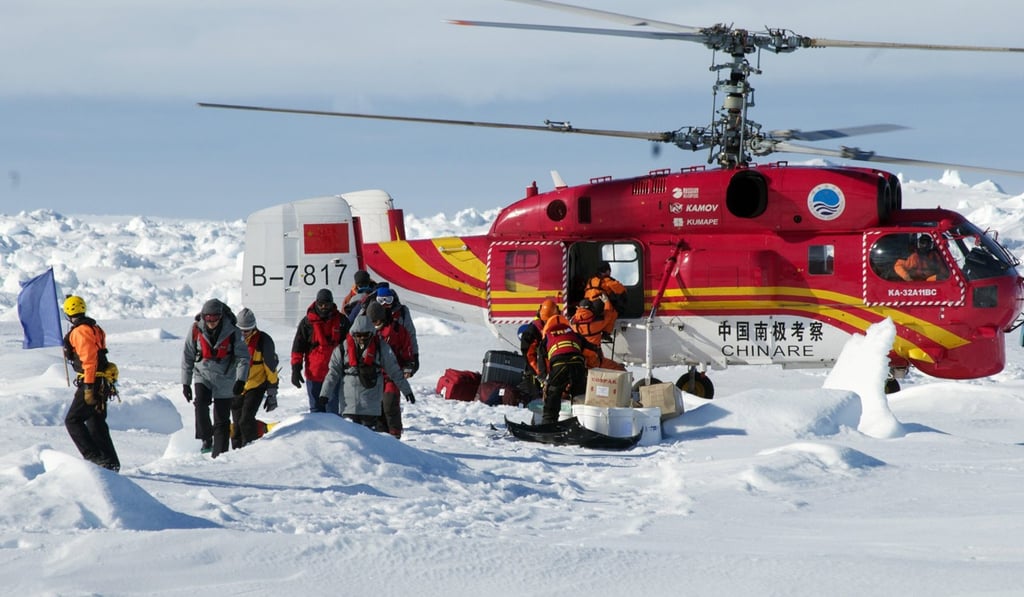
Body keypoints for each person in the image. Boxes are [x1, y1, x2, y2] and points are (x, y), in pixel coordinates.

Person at [318, 311, 415, 426]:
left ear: (371, 333)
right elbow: (333, 373)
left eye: (365, 335)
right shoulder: (342, 349)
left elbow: (394, 371)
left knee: (368, 438)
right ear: (353, 334)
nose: (362, 338)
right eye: (358, 335)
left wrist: (406, 390)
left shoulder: (381, 347)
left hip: (371, 404)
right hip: (349, 405)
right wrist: (324, 394)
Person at [182, 298, 250, 457]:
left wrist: (241, 380)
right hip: (203, 374)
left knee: (222, 420)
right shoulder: (195, 330)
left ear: (221, 317)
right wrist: (186, 383)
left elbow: (243, 358)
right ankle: (206, 439)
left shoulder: (233, 331)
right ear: (203, 317)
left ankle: (220, 455)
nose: (211, 322)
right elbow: (187, 356)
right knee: (200, 404)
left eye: (215, 318)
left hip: (225, 378)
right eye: (208, 318)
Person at [61, 295, 120, 472]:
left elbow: (89, 360)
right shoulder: (94, 328)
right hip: (100, 380)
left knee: (73, 420)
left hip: (91, 380)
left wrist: (88, 387)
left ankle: (93, 458)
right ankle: (110, 462)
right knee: (96, 422)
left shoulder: (80, 332)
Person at [291, 288, 348, 413]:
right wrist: (296, 368)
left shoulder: (342, 321)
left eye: (326, 304)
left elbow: (350, 346)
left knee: (332, 411)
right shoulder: (307, 323)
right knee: (316, 411)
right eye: (320, 304)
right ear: (316, 303)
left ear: (332, 304)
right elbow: (298, 348)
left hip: (334, 374)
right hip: (314, 374)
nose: (323, 307)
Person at [231, 308, 279, 449]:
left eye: (247, 330)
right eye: (241, 330)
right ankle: (236, 451)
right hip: (236, 387)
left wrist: (272, 393)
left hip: (256, 385)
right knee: (237, 423)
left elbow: (270, 369)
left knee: (246, 420)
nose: (244, 333)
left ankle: (251, 449)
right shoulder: (230, 339)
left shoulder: (263, 341)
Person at [366, 301, 415, 438]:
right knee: (378, 409)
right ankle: (382, 438)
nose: (375, 323)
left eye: (377, 320)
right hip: (373, 377)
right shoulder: (367, 331)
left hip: (392, 376)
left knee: (390, 405)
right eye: (372, 321)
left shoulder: (397, 330)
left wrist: (408, 365)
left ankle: (395, 435)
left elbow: (406, 349)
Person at [537, 314, 588, 425]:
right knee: (579, 394)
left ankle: (548, 424)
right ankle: (582, 423)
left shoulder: (548, 337)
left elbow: (542, 362)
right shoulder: (574, 334)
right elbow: (590, 350)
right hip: (578, 364)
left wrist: (544, 380)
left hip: (559, 364)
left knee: (553, 393)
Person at [519, 298, 560, 399]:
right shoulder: (532, 332)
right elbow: (529, 357)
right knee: (538, 401)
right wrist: (540, 375)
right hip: (537, 374)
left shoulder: (557, 325)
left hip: (552, 370)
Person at [374, 286, 419, 372]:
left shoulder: (401, 313)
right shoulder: (372, 312)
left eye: (388, 300)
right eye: (381, 301)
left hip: (397, 359)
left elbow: (410, 334)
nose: (384, 304)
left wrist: (414, 355)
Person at [582, 261, 627, 338]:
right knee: (612, 312)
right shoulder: (607, 280)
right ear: (607, 271)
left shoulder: (591, 280)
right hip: (597, 306)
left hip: (587, 306)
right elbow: (621, 290)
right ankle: (606, 333)